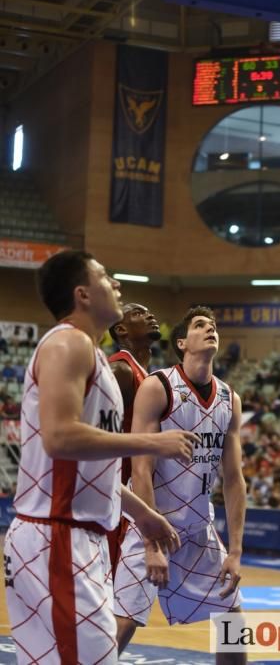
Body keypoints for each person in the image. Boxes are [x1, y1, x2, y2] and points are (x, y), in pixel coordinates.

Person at [3, 250, 200, 665]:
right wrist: (150, 443)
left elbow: (92, 464)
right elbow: (59, 438)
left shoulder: (96, 360)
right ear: (83, 295)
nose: (118, 285)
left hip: (75, 535)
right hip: (56, 536)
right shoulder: (67, 341)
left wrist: (141, 512)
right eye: (107, 278)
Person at [113, 306, 247, 664]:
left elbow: (234, 480)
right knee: (124, 623)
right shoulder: (158, 387)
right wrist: (151, 542)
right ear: (183, 343)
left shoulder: (229, 399)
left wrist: (234, 551)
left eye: (214, 325)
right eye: (201, 325)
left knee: (233, 622)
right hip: (151, 524)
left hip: (198, 530)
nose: (210, 329)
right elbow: (140, 468)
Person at [106, 303, 162, 582]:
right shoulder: (120, 371)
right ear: (121, 329)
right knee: (110, 587)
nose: (151, 315)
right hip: (116, 495)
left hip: (135, 491)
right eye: (139, 313)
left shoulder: (147, 374)